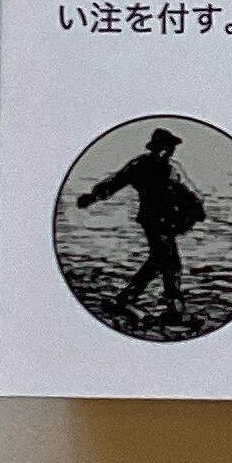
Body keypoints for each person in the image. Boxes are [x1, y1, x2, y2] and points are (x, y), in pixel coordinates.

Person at [76, 127, 206, 320]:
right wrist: (93, 197)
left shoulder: (172, 169)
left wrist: (196, 209)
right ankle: (169, 307)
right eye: (166, 148)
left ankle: (144, 303)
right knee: (168, 263)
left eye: (170, 149)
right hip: (153, 221)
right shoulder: (139, 165)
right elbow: (115, 182)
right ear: (156, 148)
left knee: (161, 261)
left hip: (170, 223)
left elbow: (193, 193)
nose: (168, 152)